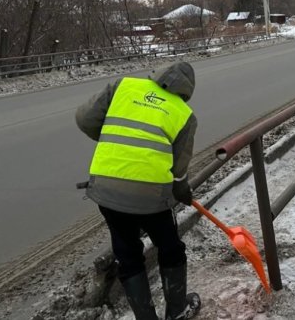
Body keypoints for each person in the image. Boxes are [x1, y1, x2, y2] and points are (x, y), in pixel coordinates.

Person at [76, 62, 202, 320]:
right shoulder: (183, 113)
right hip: (152, 198)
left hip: (107, 189)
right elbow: (179, 170)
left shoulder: (122, 86)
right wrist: (182, 190)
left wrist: (114, 139)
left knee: (127, 253)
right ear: (186, 91)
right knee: (170, 249)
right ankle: (177, 311)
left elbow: (84, 118)